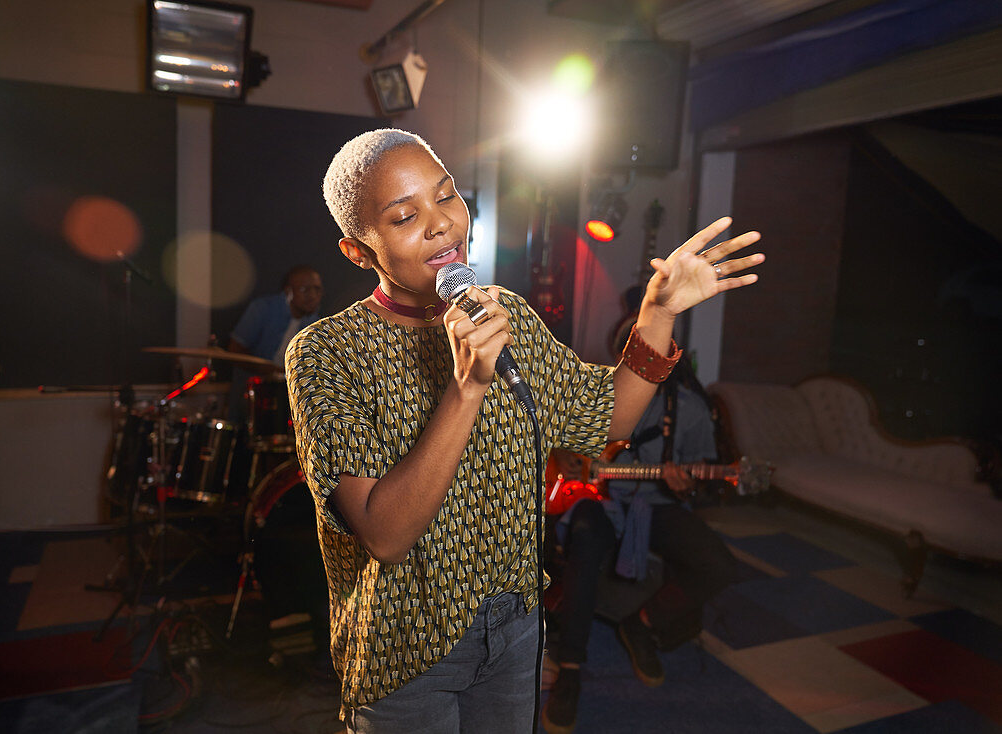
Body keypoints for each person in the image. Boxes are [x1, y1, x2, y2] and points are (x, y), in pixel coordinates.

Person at [285, 128, 763, 733]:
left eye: (447, 196)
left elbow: (604, 418)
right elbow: (385, 534)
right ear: (359, 251)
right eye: (406, 216)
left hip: (514, 626)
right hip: (404, 642)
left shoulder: (507, 314)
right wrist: (466, 389)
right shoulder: (328, 352)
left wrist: (657, 313)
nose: (441, 225)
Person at [542, 358, 738, 734]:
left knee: (720, 565)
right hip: (598, 502)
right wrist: (562, 453)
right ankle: (570, 668)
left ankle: (642, 624)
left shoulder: (691, 410)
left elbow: (702, 477)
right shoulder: (596, 393)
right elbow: (551, 434)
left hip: (656, 505)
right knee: (585, 536)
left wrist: (688, 485)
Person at [226, 265, 323, 423]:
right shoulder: (262, 309)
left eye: (317, 289)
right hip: (251, 397)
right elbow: (234, 351)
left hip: (289, 400)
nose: (313, 295)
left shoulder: (314, 321)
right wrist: (268, 369)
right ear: (288, 292)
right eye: (305, 289)